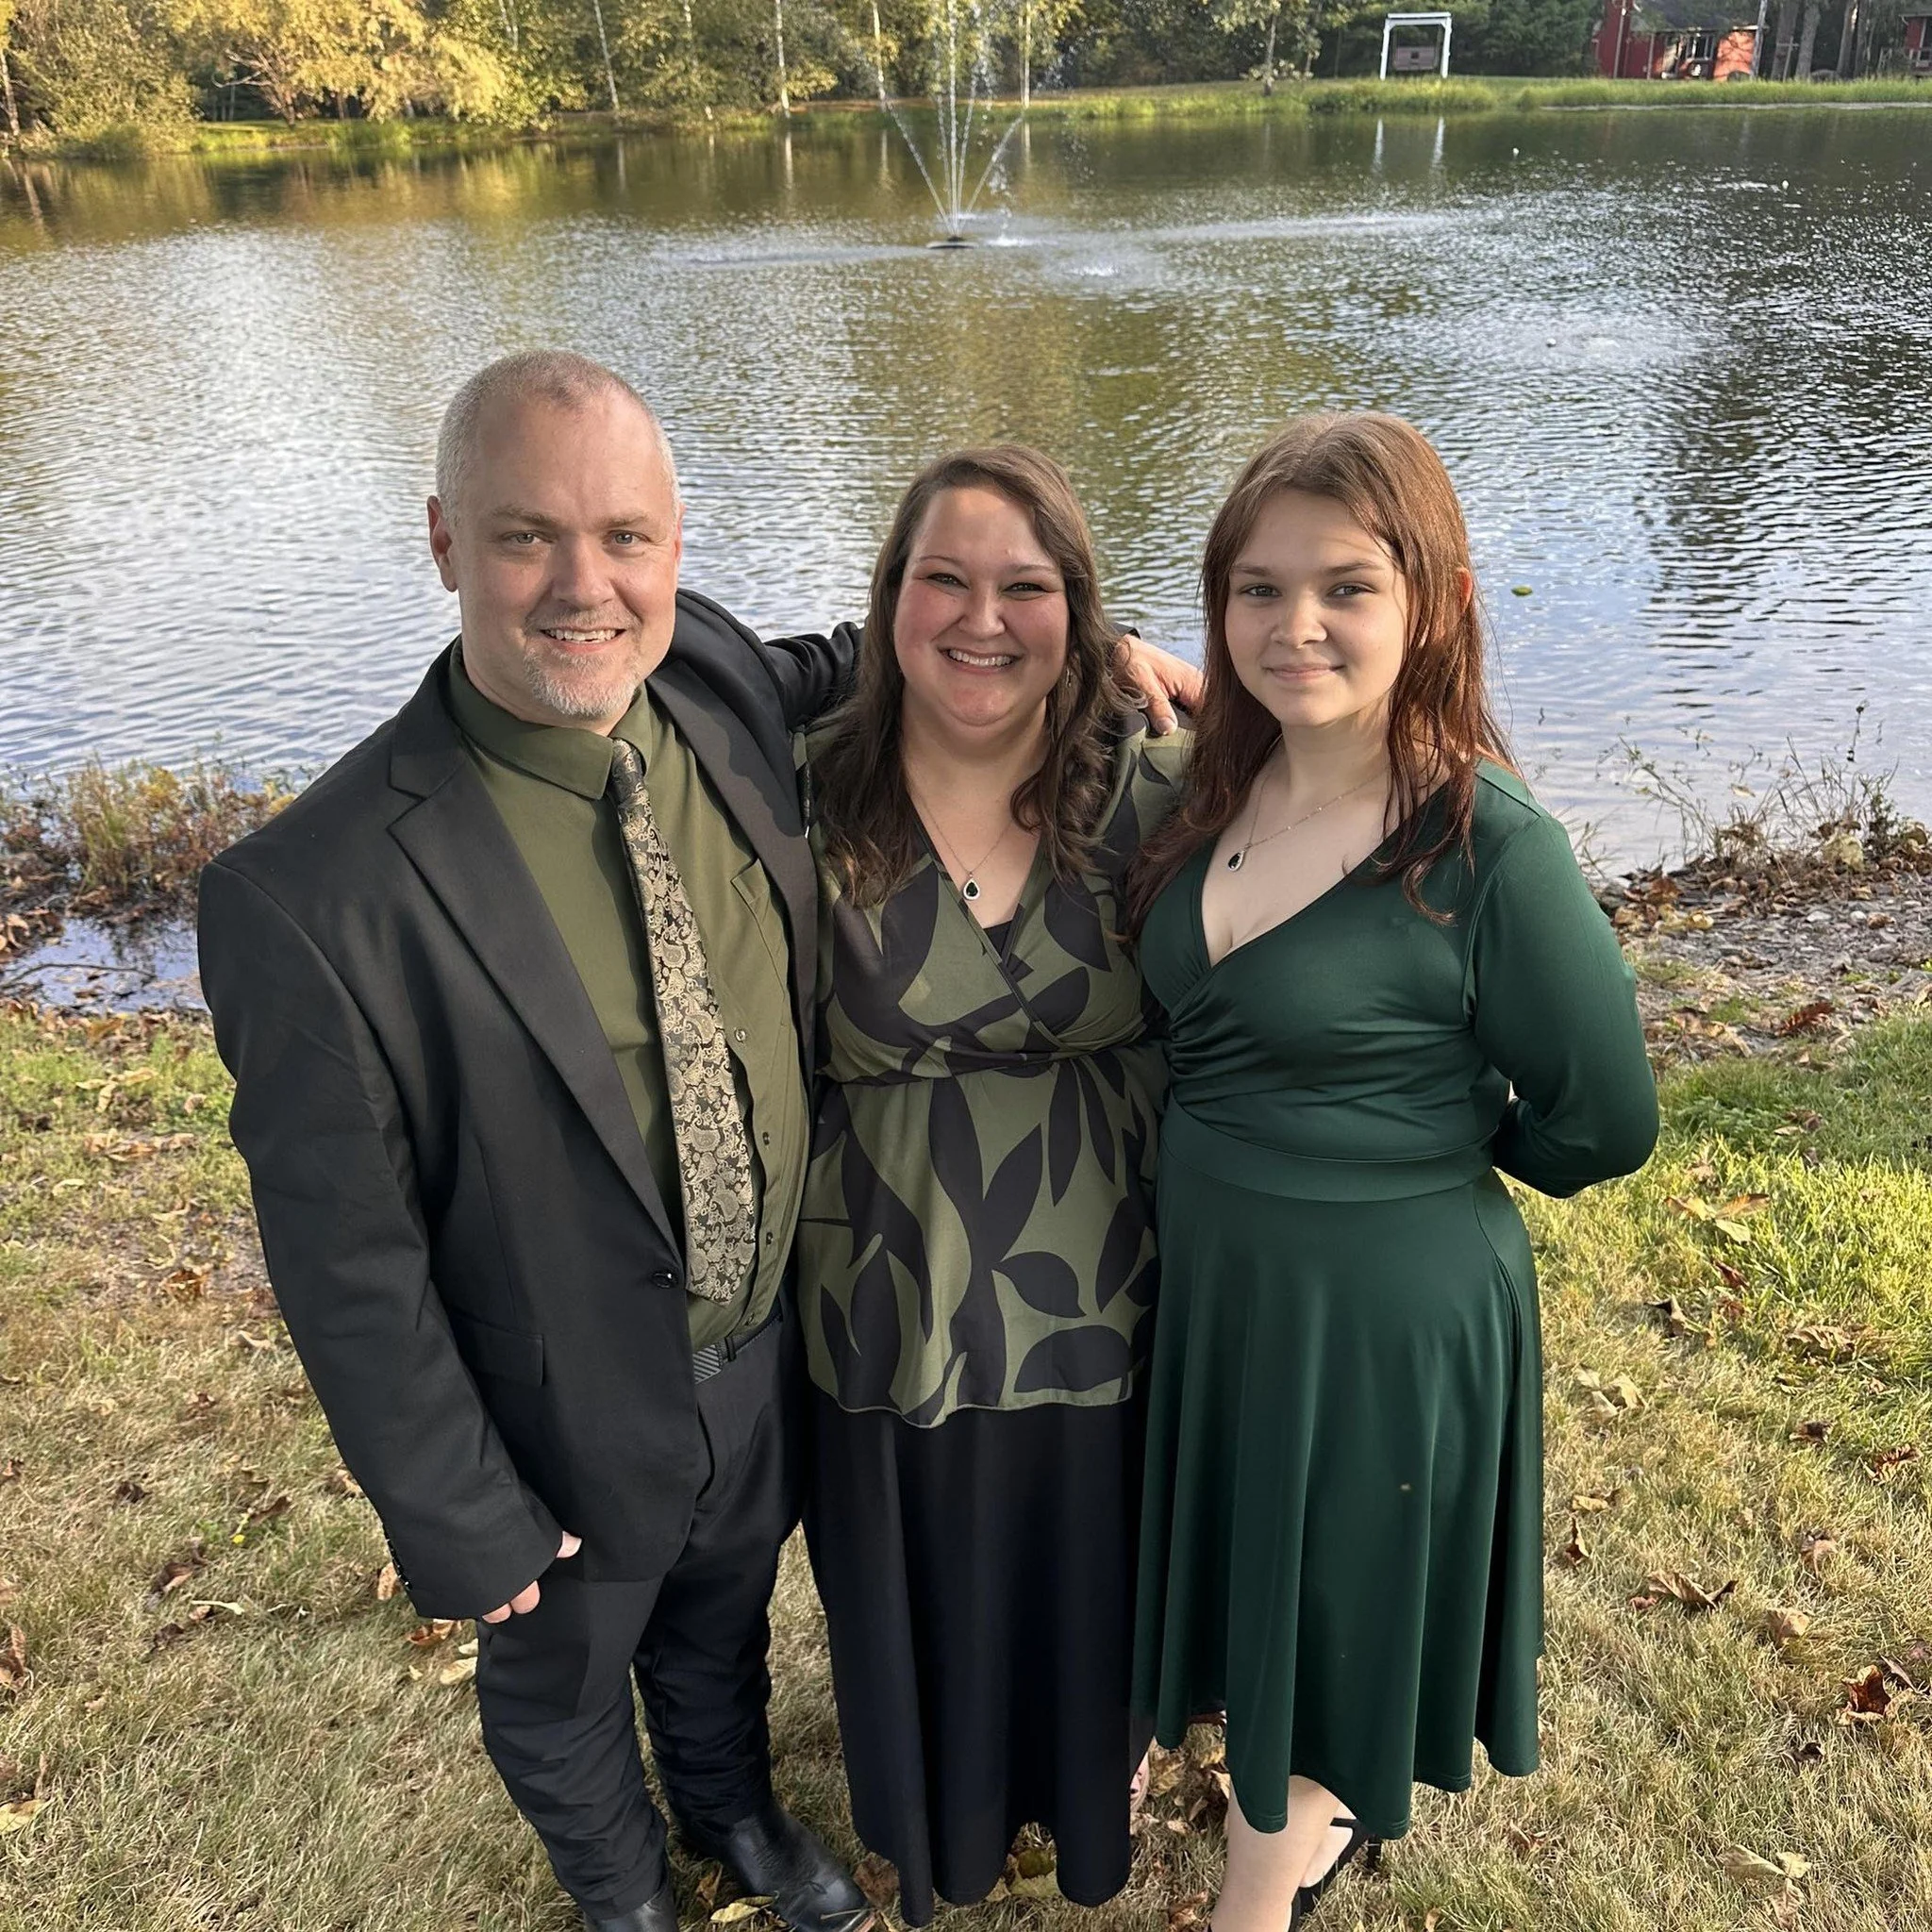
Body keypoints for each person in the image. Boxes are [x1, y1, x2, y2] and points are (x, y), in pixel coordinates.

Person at [197, 352, 1200, 1932]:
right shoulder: (314, 895)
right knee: (568, 1669)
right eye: (527, 537)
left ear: (676, 551)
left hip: (771, 1347)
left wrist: (1092, 650)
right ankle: (619, 1892)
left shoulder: (715, 683)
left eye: (625, 539)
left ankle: (730, 1809)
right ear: (445, 538)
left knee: (722, 1612)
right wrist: (455, 1505)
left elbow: (901, 648)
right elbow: (344, 1255)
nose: (582, 588)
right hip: (558, 1389)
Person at [1126, 414, 1659, 1930]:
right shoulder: (1211, 786)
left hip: (1384, 1301)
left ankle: (1258, 1892)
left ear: (1433, 600)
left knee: (1337, 1590)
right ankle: (1309, 1807)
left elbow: (1605, 1123)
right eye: (1257, 588)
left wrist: (1435, 1147)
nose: (1297, 627)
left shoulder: (1492, 848)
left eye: (1347, 587)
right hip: (1226, 1280)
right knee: (1266, 1573)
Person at [796, 447, 1186, 1926]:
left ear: (1080, 614)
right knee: (927, 1602)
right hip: (889, 1296)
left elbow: (1375, 743)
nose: (982, 618)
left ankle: (1099, 1807)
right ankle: (937, 1832)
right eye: (941, 578)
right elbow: (668, 654)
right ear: (886, 599)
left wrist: (1210, 674)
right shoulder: (796, 803)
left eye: (1028, 587)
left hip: (1111, 1296)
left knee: (1086, 1592)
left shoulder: (1154, 793)